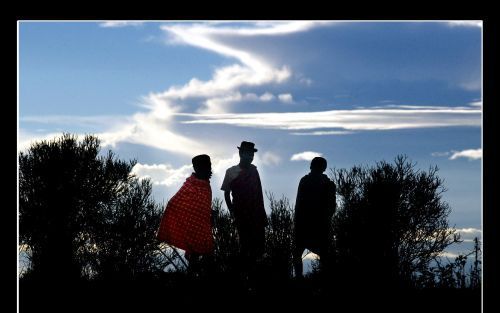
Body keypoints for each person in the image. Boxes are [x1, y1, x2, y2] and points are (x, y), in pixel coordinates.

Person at [157, 154, 214, 273]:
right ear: (196, 168)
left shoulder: (206, 185)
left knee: (207, 257)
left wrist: (209, 213)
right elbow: (174, 203)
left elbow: (203, 207)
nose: (209, 169)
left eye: (209, 166)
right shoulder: (190, 185)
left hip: (203, 227)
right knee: (195, 259)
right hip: (191, 228)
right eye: (205, 166)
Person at [221, 141, 268, 286]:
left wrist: (262, 215)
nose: (251, 156)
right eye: (248, 153)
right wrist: (232, 212)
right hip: (241, 215)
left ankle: (255, 280)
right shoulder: (231, 172)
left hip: (256, 215)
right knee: (244, 247)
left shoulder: (254, 171)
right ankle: (244, 280)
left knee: (258, 250)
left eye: (252, 154)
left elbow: (259, 195)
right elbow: (227, 194)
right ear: (241, 153)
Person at [293, 156, 336, 279]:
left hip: (306, 225)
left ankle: (299, 279)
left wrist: (297, 223)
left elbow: (298, 205)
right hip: (318, 226)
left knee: (298, 253)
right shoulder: (328, 184)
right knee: (324, 255)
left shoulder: (306, 181)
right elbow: (332, 208)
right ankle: (321, 280)